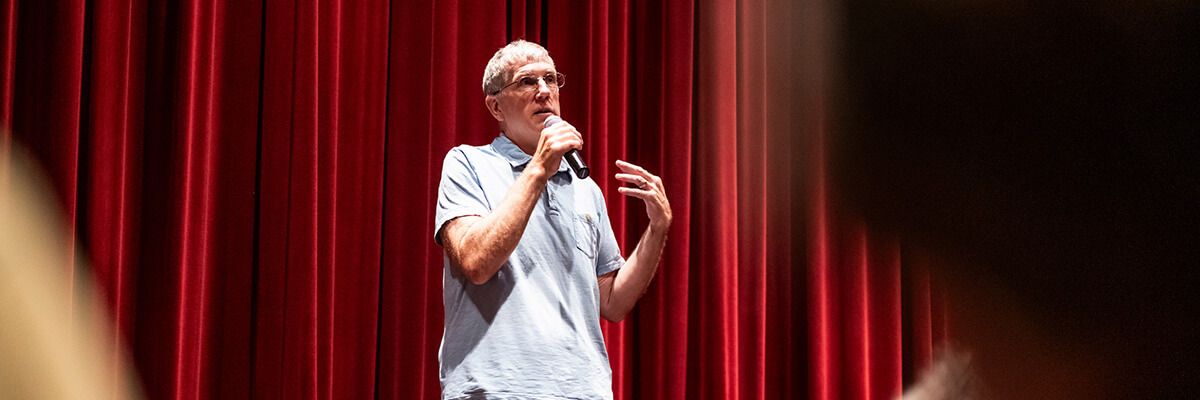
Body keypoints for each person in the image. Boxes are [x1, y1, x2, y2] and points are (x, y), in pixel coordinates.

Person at [433, 39, 672, 399]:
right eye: (527, 81)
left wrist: (657, 230)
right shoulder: (468, 164)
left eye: (551, 79)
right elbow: (475, 262)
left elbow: (613, 302)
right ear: (495, 106)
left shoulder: (585, 188)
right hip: (497, 389)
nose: (544, 91)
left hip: (583, 389)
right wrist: (539, 168)